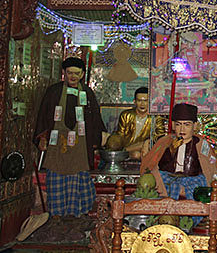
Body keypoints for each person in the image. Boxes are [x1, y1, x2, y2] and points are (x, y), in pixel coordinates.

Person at [33, 57, 107, 217]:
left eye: (76, 73)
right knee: (57, 180)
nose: (73, 76)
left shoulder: (87, 93)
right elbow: (43, 117)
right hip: (57, 143)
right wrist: (42, 137)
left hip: (80, 145)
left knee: (78, 181)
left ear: (82, 74)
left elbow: (94, 119)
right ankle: (57, 216)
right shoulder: (53, 92)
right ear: (64, 73)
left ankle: (77, 215)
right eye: (69, 73)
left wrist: (96, 141)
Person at [140, 103, 217, 225]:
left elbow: (210, 165)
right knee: (154, 179)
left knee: (199, 189)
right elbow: (156, 164)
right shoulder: (165, 142)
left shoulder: (201, 144)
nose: (182, 130)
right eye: (178, 125)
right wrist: (171, 151)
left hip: (192, 180)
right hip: (169, 177)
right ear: (172, 126)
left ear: (195, 126)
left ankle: (191, 222)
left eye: (187, 125)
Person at [112, 87, 166, 159]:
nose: (142, 104)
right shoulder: (126, 115)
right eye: (139, 101)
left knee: (140, 152)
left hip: (146, 149)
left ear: (150, 102)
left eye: (145, 101)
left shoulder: (156, 117)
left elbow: (160, 137)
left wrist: (146, 143)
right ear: (134, 101)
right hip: (127, 148)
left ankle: (124, 152)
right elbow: (120, 135)